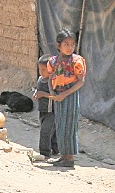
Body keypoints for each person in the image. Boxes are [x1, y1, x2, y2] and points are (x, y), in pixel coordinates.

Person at [36, 29, 85, 168]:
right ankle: (63, 156)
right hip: (58, 94)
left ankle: (69, 158)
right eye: (66, 44)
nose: (70, 47)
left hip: (70, 95)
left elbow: (81, 81)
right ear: (58, 45)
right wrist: (53, 92)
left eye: (72, 44)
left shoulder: (77, 61)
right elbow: (51, 77)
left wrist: (65, 93)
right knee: (60, 125)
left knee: (69, 125)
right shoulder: (53, 61)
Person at [32, 55, 59, 158]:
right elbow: (37, 88)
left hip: (51, 112)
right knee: (51, 131)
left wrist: (43, 94)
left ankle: (45, 153)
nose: (41, 72)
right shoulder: (40, 79)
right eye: (40, 69)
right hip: (42, 110)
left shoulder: (53, 82)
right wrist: (36, 92)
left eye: (44, 70)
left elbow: (56, 96)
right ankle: (56, 149)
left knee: (45, 132)